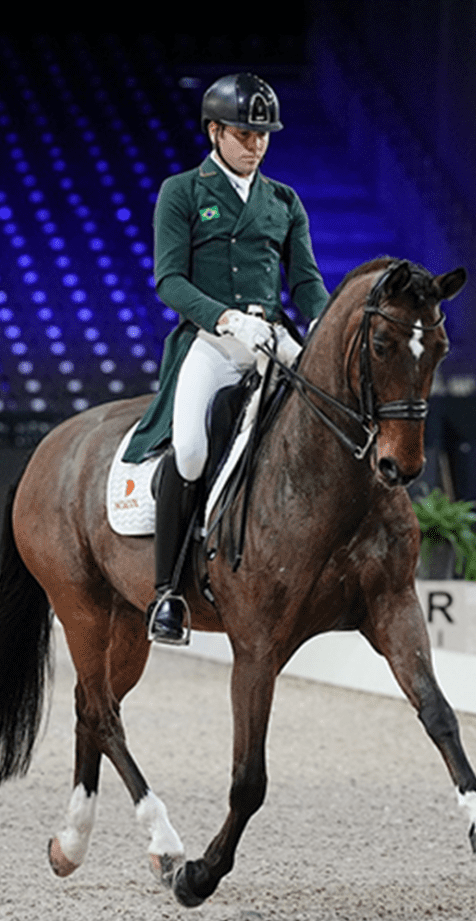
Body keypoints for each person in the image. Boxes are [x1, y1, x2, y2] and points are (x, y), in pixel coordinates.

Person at [123, 72, 330, 644]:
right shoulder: (183, 192)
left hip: (271, 336)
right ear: (214, 131)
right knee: (191, 448)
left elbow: (306, 280)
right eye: (244, 134)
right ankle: (168, 593)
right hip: (213, 341)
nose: (255, 144)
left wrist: (323, 321)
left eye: (262, 135)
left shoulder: (283, 200)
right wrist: (226, 318)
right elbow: (169, 280)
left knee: (329, 418)